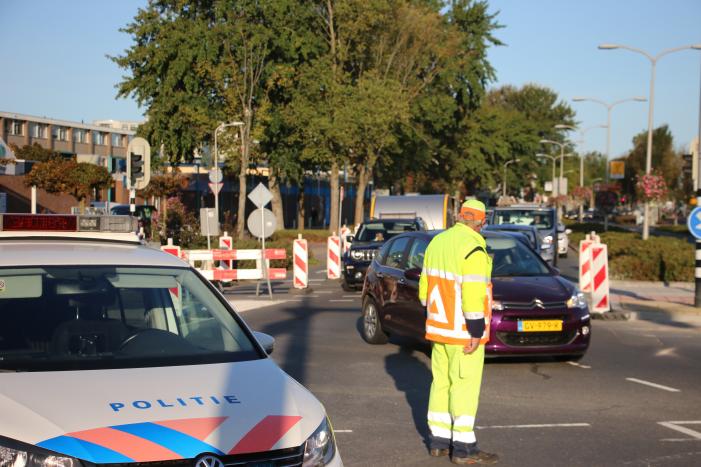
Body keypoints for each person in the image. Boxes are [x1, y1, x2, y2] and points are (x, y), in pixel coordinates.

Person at [418, 199, 498, 465]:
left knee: (441, 383)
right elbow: (473, 293)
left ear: (460, 217)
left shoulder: (436, 243)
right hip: (463, 332)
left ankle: (439, 442)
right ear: (481, 222)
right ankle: (464, 448)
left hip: (438, 329)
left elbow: (423, 292)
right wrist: (476, 330)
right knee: (464, 386)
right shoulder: (474, 248)